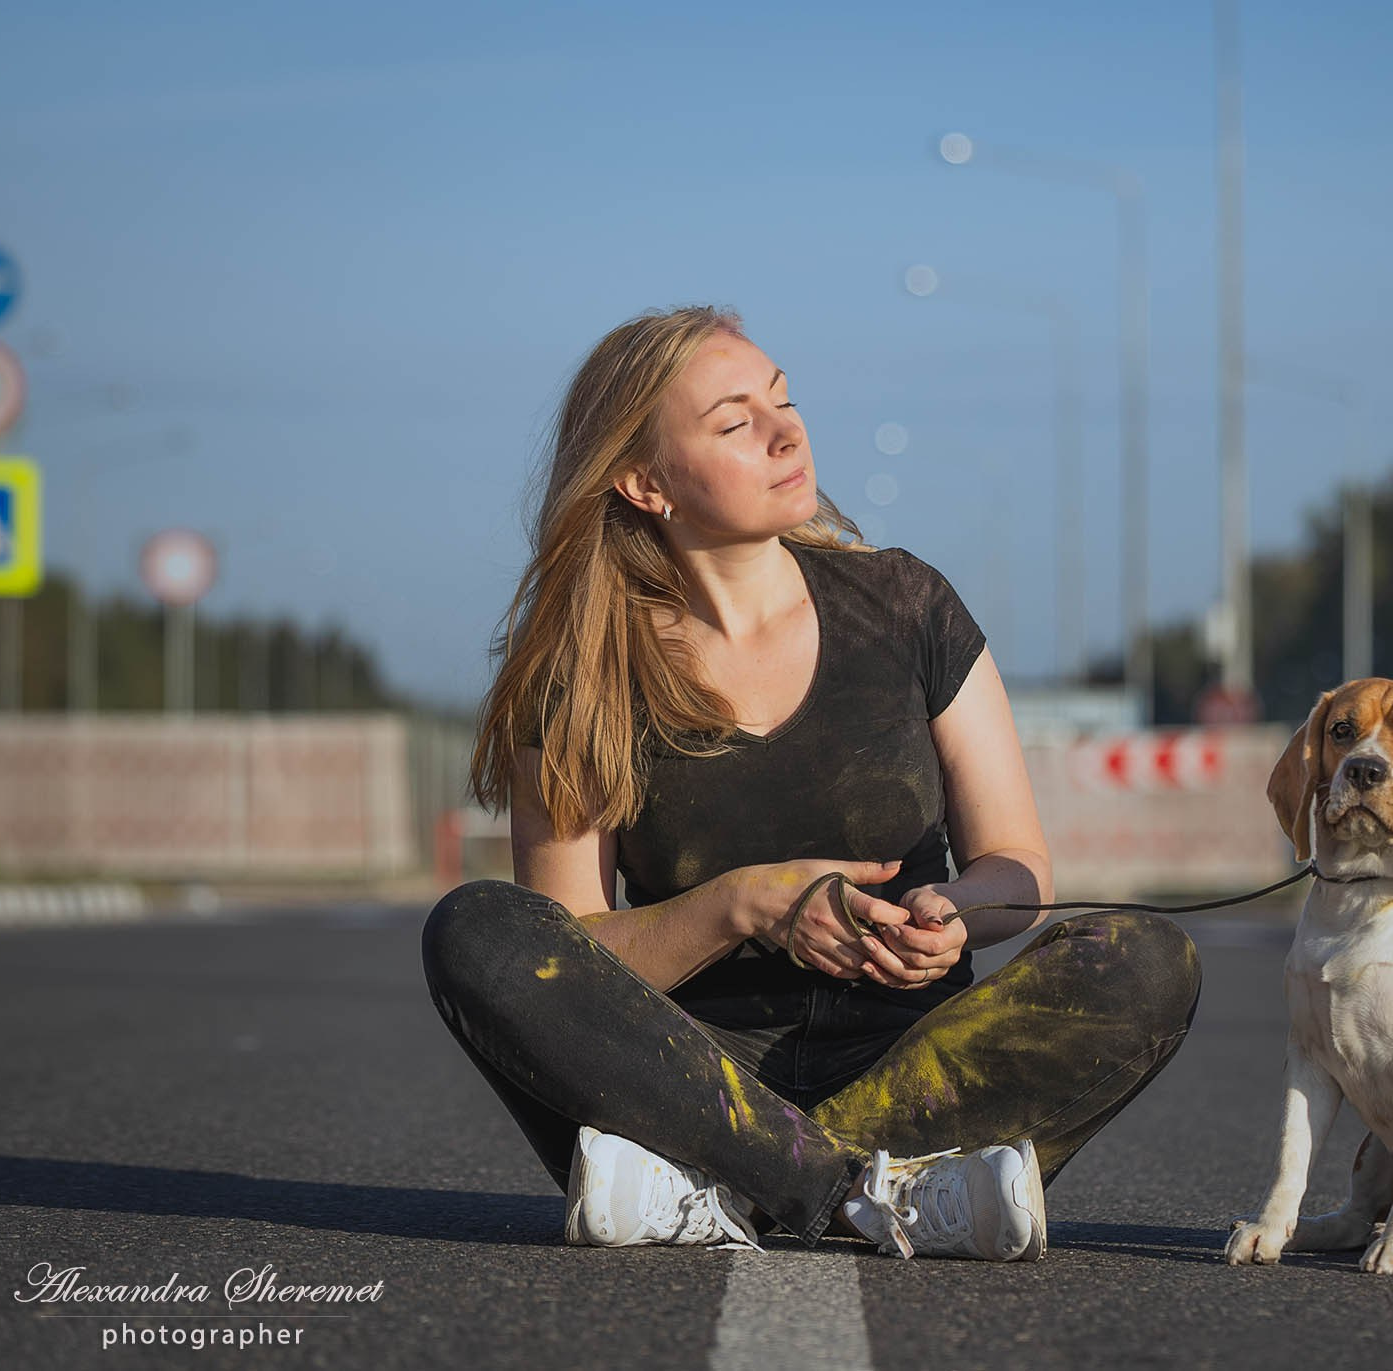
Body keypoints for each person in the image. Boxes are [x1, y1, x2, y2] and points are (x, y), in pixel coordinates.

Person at [421, 306, 1202, 1261]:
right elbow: (570, 953)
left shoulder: (909, 604)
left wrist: (954, 907)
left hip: (920, 1065)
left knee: (1146, 957)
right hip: (696, 1088)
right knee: (478, 933)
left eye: (783, 400)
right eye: (735, 422)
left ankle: (737, 1196)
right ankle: (869, 1194)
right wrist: (742, 904)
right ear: (643, 481)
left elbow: (1019, 871)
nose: (787, 431)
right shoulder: (583, 673)